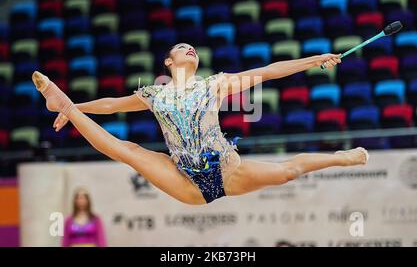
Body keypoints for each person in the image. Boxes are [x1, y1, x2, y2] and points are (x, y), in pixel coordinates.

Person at [32, 43, 369, 205]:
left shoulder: (215, 84)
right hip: (185, 181)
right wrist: (75, 107)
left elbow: (268, 71)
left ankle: (344, 157)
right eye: (182, 48)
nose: (189, 49)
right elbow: (111, 104)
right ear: (169, 61)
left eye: (193, 48)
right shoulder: (154, 94)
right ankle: (62, 101)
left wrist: (315, 59)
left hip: (227, 170)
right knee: (128, 151)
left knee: (287, 173)